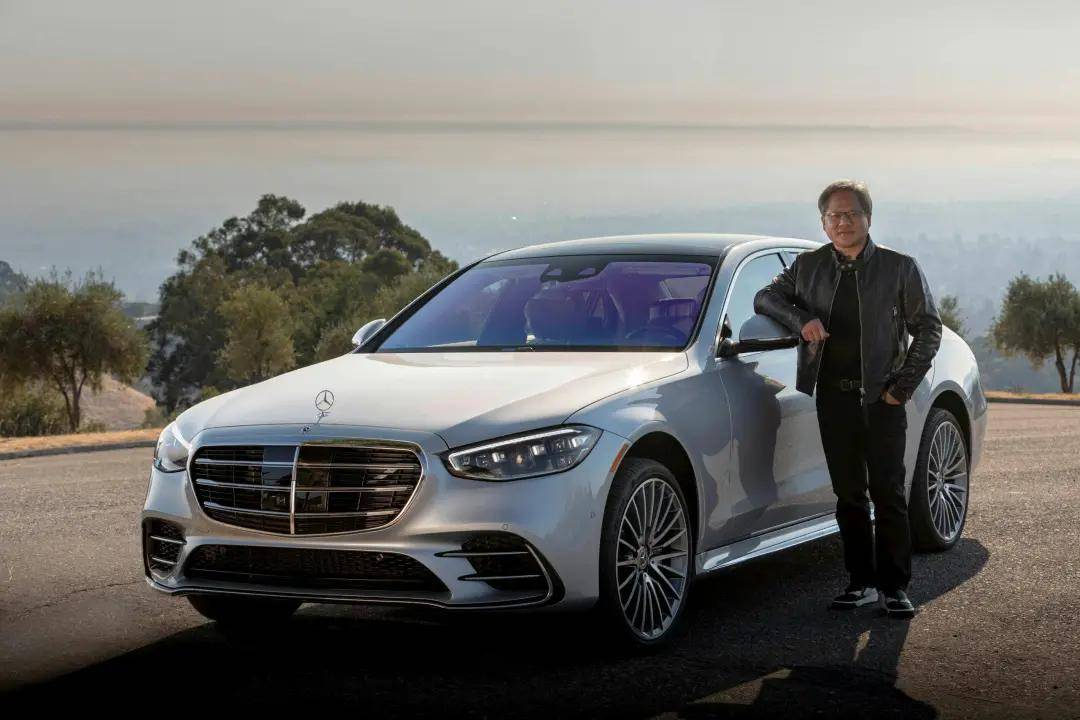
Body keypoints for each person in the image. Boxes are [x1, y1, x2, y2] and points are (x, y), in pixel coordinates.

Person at [753, 179, 942, 618]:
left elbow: (928, 329)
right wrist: (801, 319)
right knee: (849, 495)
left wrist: (899, 390)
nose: (843, 222)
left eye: (851, 214)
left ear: (867, 218)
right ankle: (861, 583)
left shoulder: (900, 267)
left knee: (888, 493)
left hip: (882, 399)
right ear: (823, 223)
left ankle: (894, 587)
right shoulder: (808, 266)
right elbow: (766, 297)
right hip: (833, 400)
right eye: (834, 216)